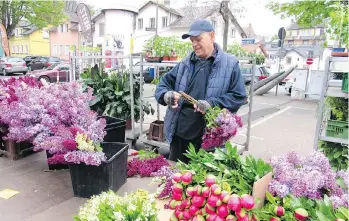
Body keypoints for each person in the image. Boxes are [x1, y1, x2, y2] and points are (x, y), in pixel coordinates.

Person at [154, 19, 246, 163]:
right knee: (176, 176)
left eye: (198, 39)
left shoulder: (230, 64)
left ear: (212, 36)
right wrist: (166, 95)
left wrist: (211, 104)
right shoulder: (185, 63)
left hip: (208, 138)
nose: (194, 45)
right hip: (179, 133)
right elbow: (163, 84)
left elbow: (239, 96)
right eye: (192, 41)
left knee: (202, 181)